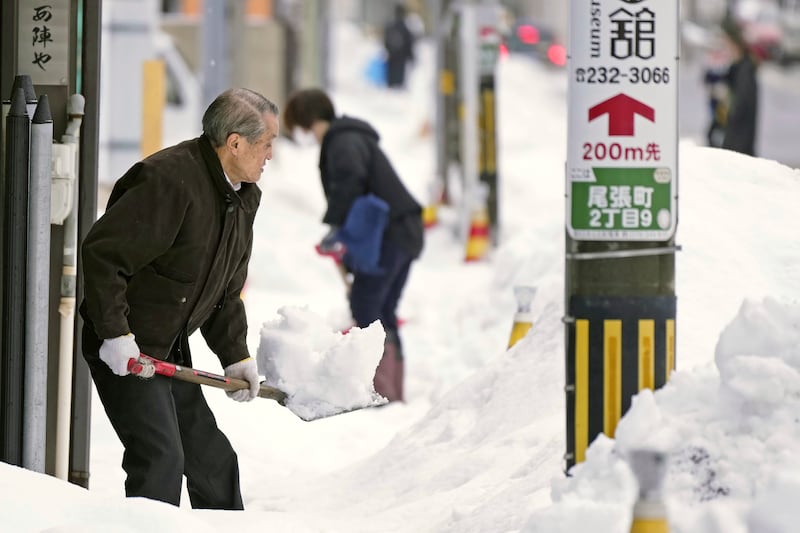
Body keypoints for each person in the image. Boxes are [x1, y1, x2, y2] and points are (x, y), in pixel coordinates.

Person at [79, 88, 279, 509]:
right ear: (235, 143)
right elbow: (104, 256)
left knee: (213, 462)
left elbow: (225, 291)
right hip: (127, 346)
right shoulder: (167, 180)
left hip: (168, 347)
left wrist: (235, 356)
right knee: (160, 459)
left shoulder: (243, 197)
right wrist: (114, 334)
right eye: (266, 144)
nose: (270, 155)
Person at [282, 88, 424, 403]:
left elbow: (350, 180)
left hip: (392, 233)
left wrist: (335, 226)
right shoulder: (349, 137)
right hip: (401, 231)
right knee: (380, 309)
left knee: (368, 307)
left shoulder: (342, 141)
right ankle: (390, 391)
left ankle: (382, 391)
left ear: (307, 121)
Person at [720, 17, 759, 156]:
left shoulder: (745, 71)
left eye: (725, 43)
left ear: (734, 44)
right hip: (735, 142)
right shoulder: (737, 69)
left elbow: (740, 109)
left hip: (738, 146)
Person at [383, 3, 415, 89]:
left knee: (392, 82)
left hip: (392, 57)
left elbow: (385, 41)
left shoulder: (390, 25)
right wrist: (411, 56)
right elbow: (409, 43)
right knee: (399, 84)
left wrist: (387, 50)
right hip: (401, 58)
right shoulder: (405, 27)